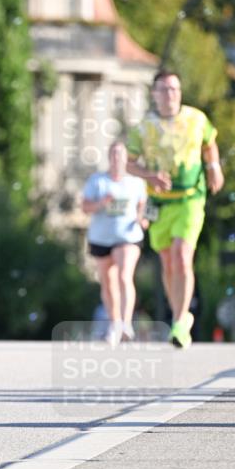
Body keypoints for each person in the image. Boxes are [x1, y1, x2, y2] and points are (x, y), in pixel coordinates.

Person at [126, 70, 224, 348]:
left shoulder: (196, 119)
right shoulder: (144, 129)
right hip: (159, 203)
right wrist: (150, 177)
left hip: (190, 199)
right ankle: (178, 315)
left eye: (174, 89)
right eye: (164, 90)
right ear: (154, 94)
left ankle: (181, 320)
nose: (171, 95)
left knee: (182, 256)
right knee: (168, 264)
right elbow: (130, 163)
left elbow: (209, 144)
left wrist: (213, 167)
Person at [81, 141, 148, 345]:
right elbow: (85, 206)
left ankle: (126, 323)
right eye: (114, 154)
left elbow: (143, 206)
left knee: (124, 275)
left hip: (128, 237)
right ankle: (115, 323)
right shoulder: (97, 181)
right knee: (108, 283)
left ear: (126, 158)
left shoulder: (136, 183)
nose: (117, 158)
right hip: (101, 238)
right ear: (109, 157)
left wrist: (142, 219)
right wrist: (102, 203)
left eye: (121, 154)